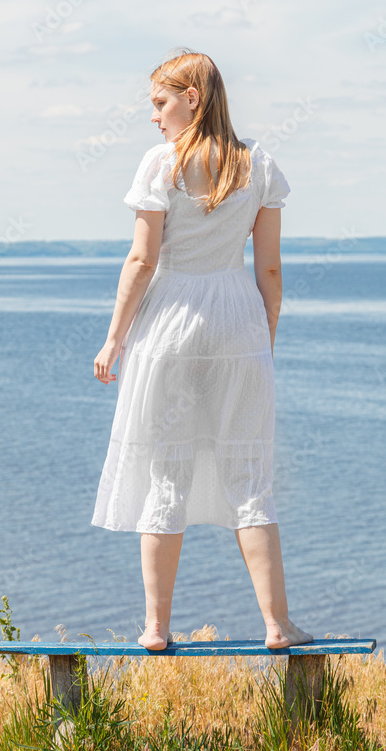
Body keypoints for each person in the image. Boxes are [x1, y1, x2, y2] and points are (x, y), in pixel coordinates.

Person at [92, 49, 313, 653]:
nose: (154, 117)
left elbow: (141, 260)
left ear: (192, 97)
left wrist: (114, 337)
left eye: (160, 102)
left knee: (166, 477)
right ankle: (276, 625)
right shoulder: (259, 165)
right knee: (250, 478)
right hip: (238, 320)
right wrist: (263, 341)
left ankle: (156, 629)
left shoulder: (161, 165)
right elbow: (268, 268)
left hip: (170, 323)